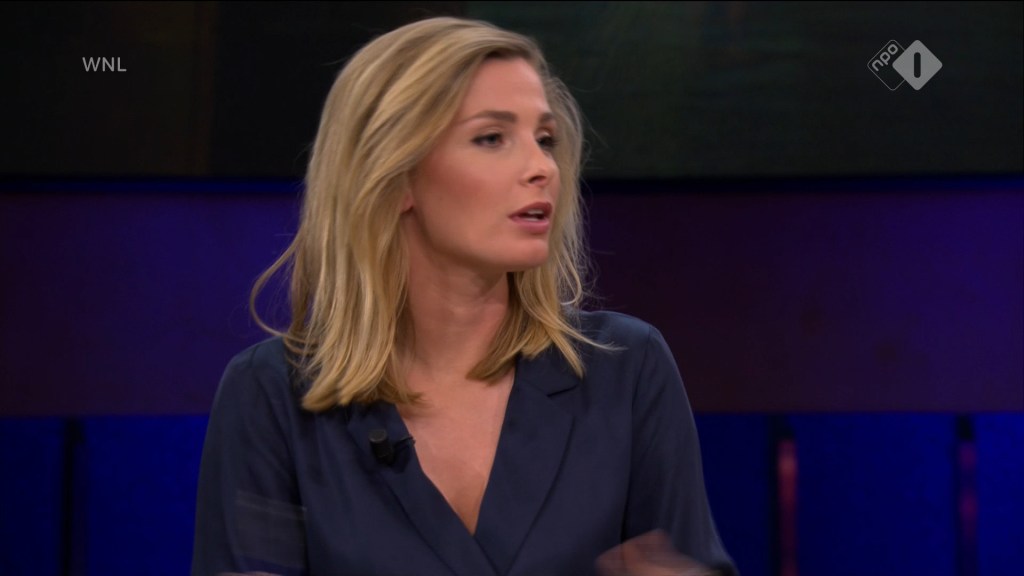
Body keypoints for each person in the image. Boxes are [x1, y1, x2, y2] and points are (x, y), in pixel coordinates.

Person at [192, 16, 736, 576]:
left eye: (545, 139)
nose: (541, 167)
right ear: (396, 176)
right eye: (491, 138)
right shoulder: (272, 397)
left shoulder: (625, 369)